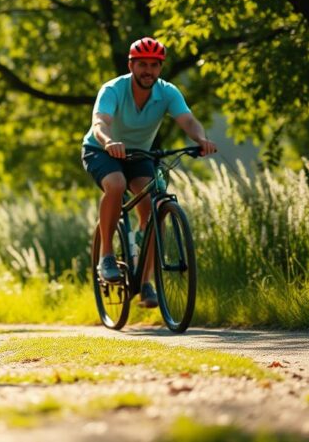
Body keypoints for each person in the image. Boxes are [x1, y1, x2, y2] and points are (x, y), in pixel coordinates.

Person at [82, 37, 216, 307]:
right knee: (116, 184)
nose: (148, 71)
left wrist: (200, 138)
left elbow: (187, 120)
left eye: (154, 65)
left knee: (154, 206)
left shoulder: (167, 92)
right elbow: (100, 122)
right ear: (131, 65)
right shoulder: (113, 89)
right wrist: (109, 142)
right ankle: (106, 254)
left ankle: (145, 282)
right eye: (142, 64)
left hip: (139, 154)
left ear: (160, 68)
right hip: (101, 149)